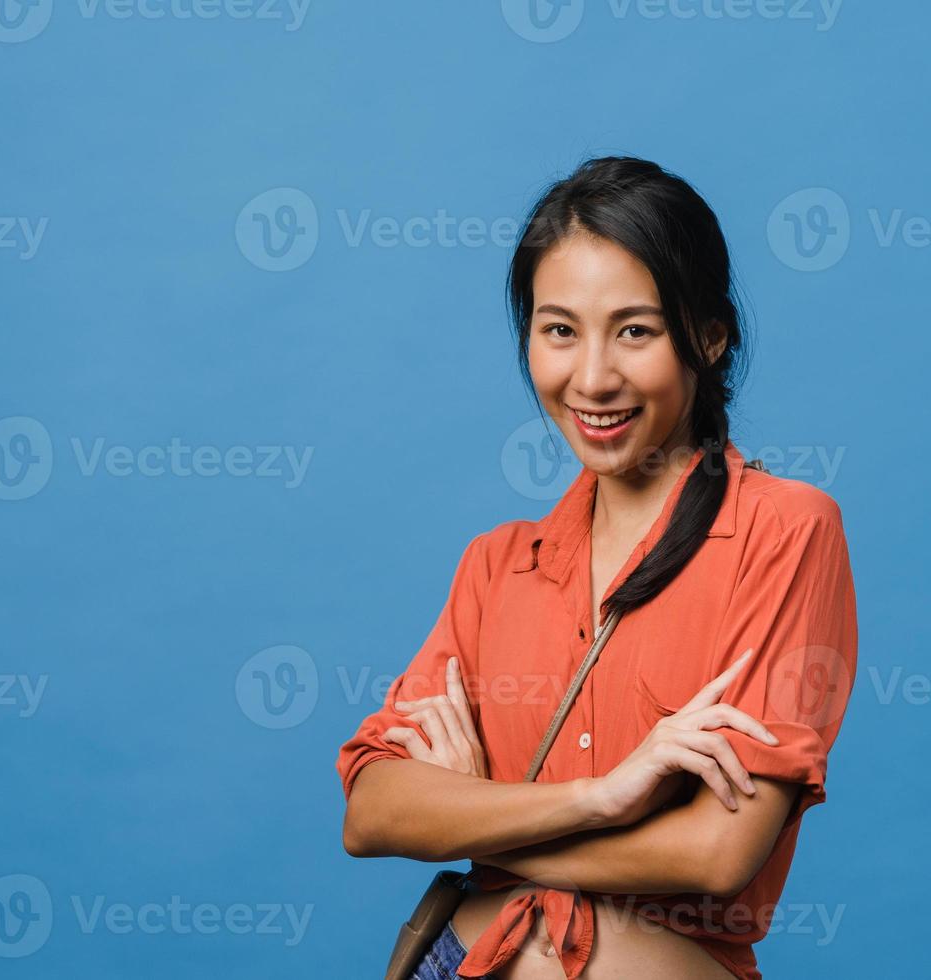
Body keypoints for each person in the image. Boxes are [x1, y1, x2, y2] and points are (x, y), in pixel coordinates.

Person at [336, 156, 859, 980]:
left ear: (711, 335)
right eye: (559, 330)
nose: (592, 378)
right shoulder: (495, 566)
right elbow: (371, 814)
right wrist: (603, 796)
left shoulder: (785, 533)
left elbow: (719, 853)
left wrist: (484, 820)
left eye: (635, 330)